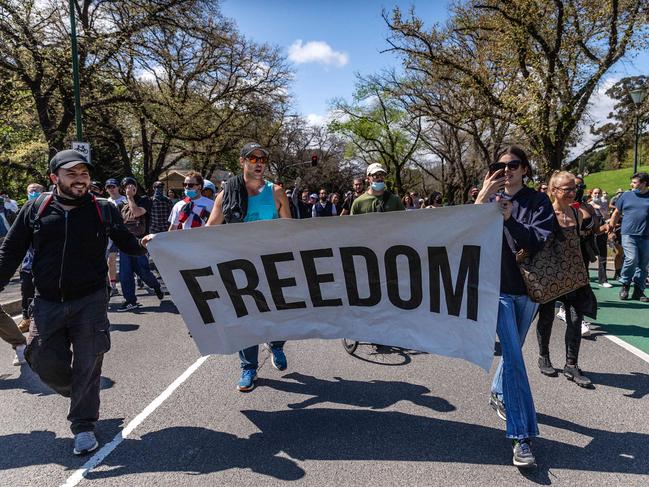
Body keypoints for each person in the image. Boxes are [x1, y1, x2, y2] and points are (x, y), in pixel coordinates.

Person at [0, 149, 148, 455]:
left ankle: (83, 425)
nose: (80, 180)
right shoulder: (35, 209)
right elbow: (10, 252)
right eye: (72, 174)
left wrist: (154, 246)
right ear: (55, 178)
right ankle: (78, 391)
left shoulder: (103, 209)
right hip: (47, 303)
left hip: (90, 301)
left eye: (84, 174)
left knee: (88, 362)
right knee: (39, 358)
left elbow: (128, 244)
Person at [475, 145, 554, 468]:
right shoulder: (487, 198)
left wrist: (511, 220)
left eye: (514, 165)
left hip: (529, 290)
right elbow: (466, 230)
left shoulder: (537, 201)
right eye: (500, 165)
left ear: (525, 170)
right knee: (514, 359)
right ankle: (522, 439)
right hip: (497, 290)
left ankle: (498, 390)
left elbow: (538, 240)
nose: (506, 170)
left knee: (515, 352)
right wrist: (483, 196)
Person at [203, 141, 292, 392]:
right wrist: (165, 241)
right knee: (246, 318)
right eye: (253, 158)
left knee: (279, 313)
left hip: (273, 264)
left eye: (262, 159)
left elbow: (291, 228)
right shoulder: (226, 195)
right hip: (241, 267)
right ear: (242, 162)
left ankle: (276, 344)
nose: (259, 163)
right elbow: (209, 231)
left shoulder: (276, 192)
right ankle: (248, 367)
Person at [536, 171, 596, 387]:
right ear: (553, 191)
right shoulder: (545, 214)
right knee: (546, 318)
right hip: (550, 277)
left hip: (574, 276)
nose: (572, 192)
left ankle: (572, 364)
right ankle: (544, 356)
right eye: (566, 189)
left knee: (575, 318)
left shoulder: (578, 214)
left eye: (574, 188)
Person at [117, 177, 164, 311]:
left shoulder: (145, 200)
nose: (130, 188)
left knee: (142, 271)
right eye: (126, 186)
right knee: (125, 272)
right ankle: (130, 300)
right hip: (125, 243)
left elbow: (137, 213)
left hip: (141, 242)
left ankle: (155, 286)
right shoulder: (121, 205)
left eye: (132, 185)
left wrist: (130, 198)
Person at [608, 172, 649, 302]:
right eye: (632, 182)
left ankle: (638, 290)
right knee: (632, 258)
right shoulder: (625, 196)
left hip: (646, 235)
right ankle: (625, 284)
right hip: (629, 233)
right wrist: (611, 229)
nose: (631, 184)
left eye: (635, 182)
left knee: (643, 265)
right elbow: (616, 213)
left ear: (644, 184)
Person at [17, 183, 44, 332]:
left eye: (36, 191)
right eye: (30, 191)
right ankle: (26, 319)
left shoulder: (48, 211)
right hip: (28, 264)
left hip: (45, 264)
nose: (33, 193)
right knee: (26, 291)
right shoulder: (24, 212)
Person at [105, 178, 127, 295]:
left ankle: (140, 279)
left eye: (113, 186)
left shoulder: (125, 200)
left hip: (125, 235)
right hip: (112, 236)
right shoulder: (106, 202)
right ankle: (113, 286)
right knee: (111, 260)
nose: (111, 189)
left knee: (129, 263)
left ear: (118, 187)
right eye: (109, 187)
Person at [589, 187, 612, 288]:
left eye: (599, 193)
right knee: (587, 257)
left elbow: (607, 217)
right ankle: (585, 279)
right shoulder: (588, 205)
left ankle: (603, 280)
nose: (597, 195)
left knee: (603, 256)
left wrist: (600, 208)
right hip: (590, 233)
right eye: (595, 193)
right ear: (591, 194)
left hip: (601, 231)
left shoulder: (603, 204)